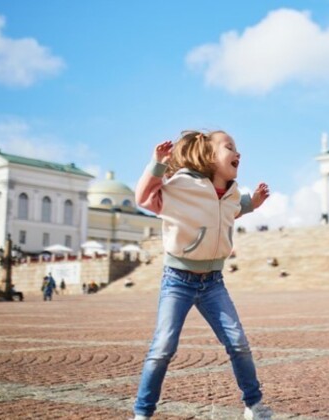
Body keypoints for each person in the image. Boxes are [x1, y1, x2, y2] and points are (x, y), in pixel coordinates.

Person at [131, 130, 272, 420]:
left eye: (237, 147)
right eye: (229, 147)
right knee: (163, 348)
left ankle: (254, 405)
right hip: (178, 280)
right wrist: (157, 164)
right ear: (208, 155)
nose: (237, 152)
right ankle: (142, 413)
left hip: (213, 283)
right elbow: (145, 198)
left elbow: (232, 209)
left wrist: (253, 202)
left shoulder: (232, 192)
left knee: (238, 343)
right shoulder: (181, 185)